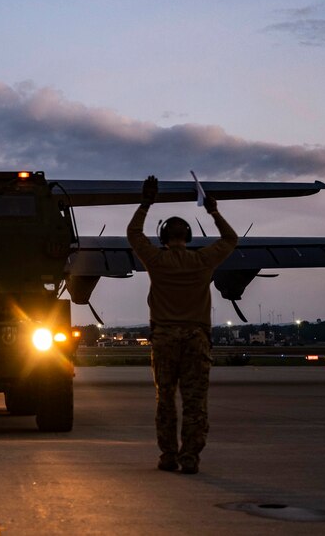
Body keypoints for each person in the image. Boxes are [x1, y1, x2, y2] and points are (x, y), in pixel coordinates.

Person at [127, 174, 238, 474]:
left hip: (163, 339)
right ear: (188, 237)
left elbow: (134, 234)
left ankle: (167, 456)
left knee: (165, 400)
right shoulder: (203, 261)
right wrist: (213, 211)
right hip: (196, 340)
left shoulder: (156, 260)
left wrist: (146, 202)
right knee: (195, 402)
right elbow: (231, 239)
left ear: (163, 238)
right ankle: (190, 458)